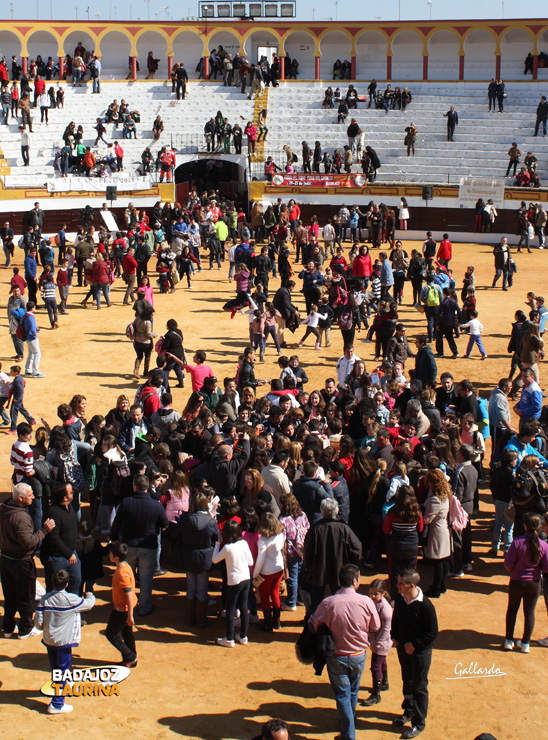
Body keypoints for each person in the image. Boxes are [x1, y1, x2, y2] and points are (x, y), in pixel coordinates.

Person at [309, 563, 380, 740]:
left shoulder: (328, 602)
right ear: (355, 581)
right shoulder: (366, 602)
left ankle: (348, 733)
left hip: (337, 656)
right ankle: (348, 723)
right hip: (358, 655)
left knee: (342, 694)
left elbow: (312, 624)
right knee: (353, 691)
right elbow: (376, 626)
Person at [35, 569, 95, 714]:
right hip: (64, 643)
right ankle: (57, 704)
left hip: (49, 640)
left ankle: (60, 691)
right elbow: (88, 604)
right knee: (62, 672)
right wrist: (91, 595)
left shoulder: (45, 599)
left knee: (56, 669)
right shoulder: (70, 599)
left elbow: (38, 623)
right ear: (67, 584)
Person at [0, 483, 55, 639]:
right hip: (21, 562)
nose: (33, 497)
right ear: (20, 498)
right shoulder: (22, 518)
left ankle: (8, 628)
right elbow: (28, 543)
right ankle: (25, 629)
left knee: (10, 596)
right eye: (30, 495)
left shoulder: (4, 509)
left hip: (5, 559)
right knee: (26, 596)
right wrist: (44, 530)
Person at [110, 474, 169, 617]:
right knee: (146, 578)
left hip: (129, 545)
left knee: (127, 577)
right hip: (148, 547)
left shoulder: (126, 502)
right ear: (147, 487)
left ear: (134, 486)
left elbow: (116, 523)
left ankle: (125, 605)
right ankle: (144, 607)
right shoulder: (156, 505)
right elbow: (165, 524)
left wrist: (114, 538)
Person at [391, 570, 438, 738]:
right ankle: (409, 711)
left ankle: (418, 722)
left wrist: (414, 645)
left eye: (400, 583)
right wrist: (394, 637)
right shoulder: (400, 599)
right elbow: (395, 619)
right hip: (403, 649)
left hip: (420, 653)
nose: (397, 586)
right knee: (407, 681)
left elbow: (432, 633)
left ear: (411, 585)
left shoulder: (426, 605)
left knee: (419, 686)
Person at [503, 512, 548, 653]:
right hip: (534, 584)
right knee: (529, 613)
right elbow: (546, 567)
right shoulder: (544, 545)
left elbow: (508, 563)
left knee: (512, 610)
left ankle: (509, 641)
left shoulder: (517, 542)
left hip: (517, 581)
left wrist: (515, 571)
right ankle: (525, 644)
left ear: (525, 526)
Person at [212, 519, 253, 647]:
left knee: (230, 609)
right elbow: (250, 562)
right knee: (244, 607)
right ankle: (243, 636)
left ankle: (229, 639)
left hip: (234, 581)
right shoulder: (244, 544)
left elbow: (214, 560)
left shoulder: (227, 547)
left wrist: (217, 543)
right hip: (246, 579)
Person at [105, 541, 138, 667]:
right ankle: (131, 657)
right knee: (127, 632)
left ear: (116, 558)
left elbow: (128, 594)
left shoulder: (121, 573)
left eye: (111, 554)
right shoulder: (126, 567)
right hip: (126, 607)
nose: (109, 555)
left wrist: (130, 615)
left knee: (111, 633)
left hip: (122, 609)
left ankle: (129, 656)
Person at [360, 578, 392, 705]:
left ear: (383, 593)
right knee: (382, 662)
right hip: (376, 640)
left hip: (381, 642)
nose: (372, 596)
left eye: (376, 594)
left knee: (375, 666)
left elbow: (386, 628)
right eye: (371, 593)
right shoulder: (374, 603)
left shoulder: (385, 608)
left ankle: (376, 694)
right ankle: (384, 683)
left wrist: (377, 643)